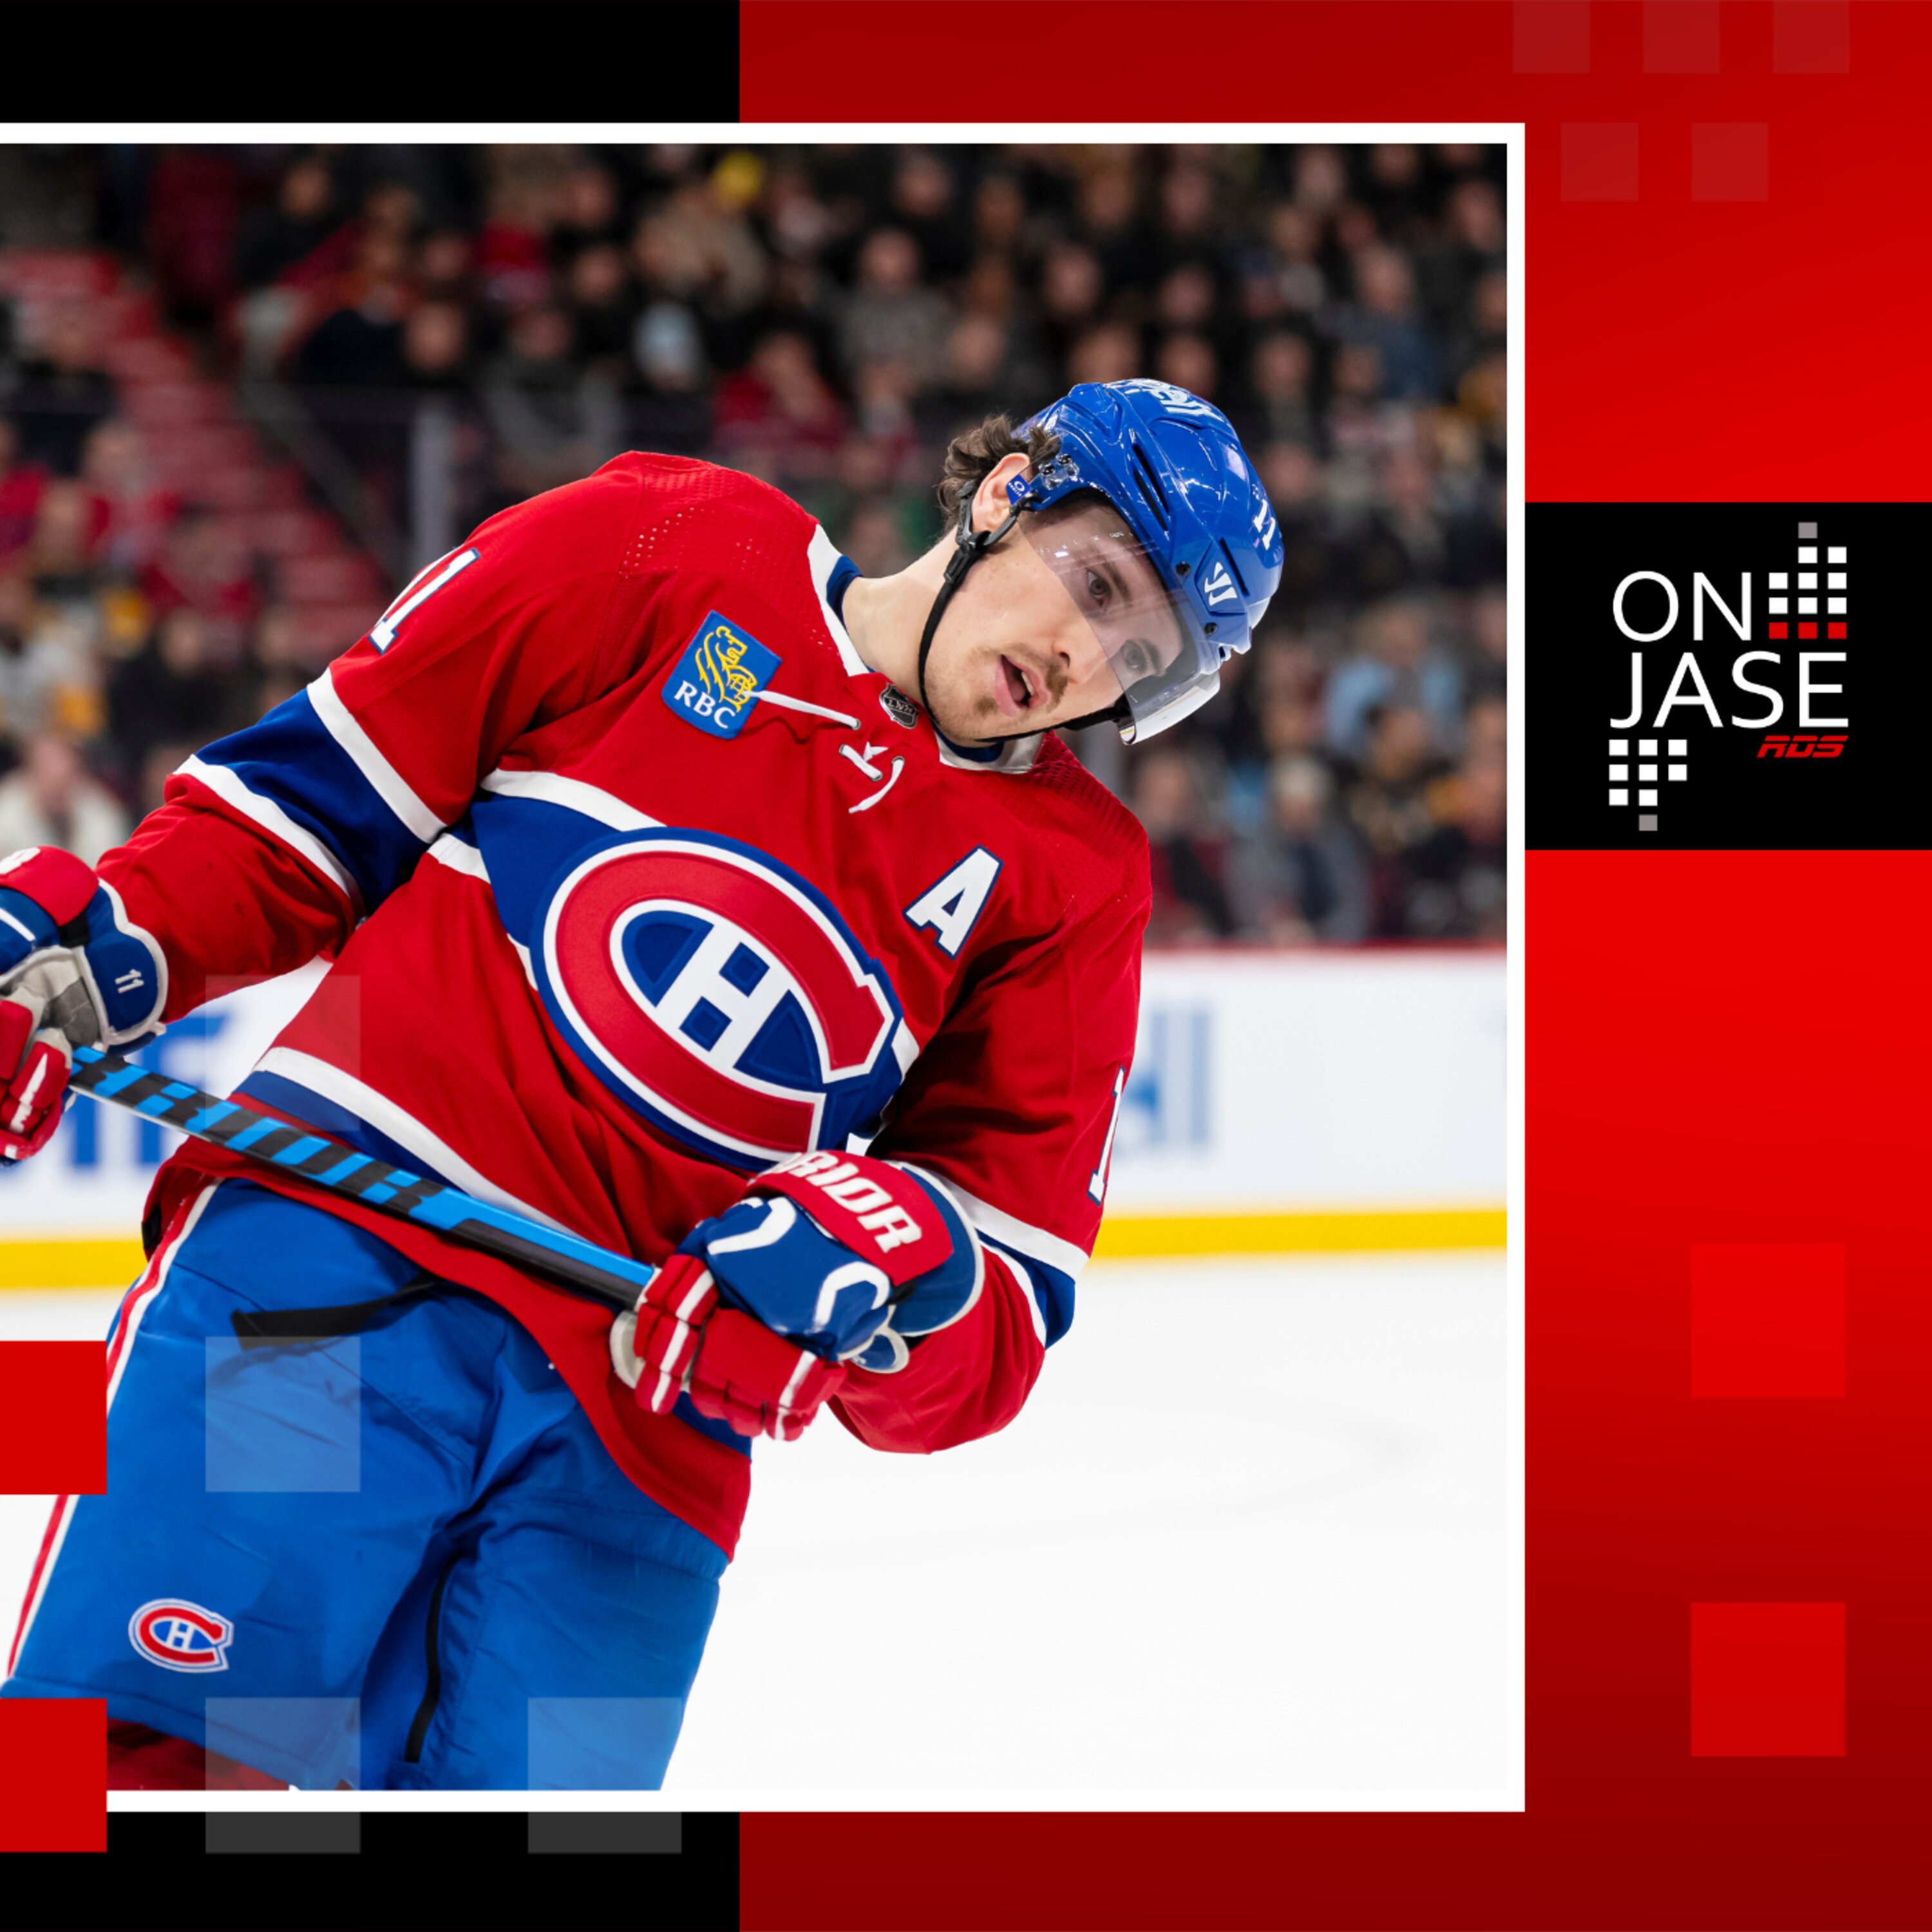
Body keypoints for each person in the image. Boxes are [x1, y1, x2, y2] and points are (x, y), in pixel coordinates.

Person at [0, 377, 1282, 1791]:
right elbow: (310, 807)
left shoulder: (1078, 878)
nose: (1087, 656)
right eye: (1092, 584)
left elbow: (1002, 1311)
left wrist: (900, 1254)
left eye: (1139, 654)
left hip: (649, 1429)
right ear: (1005, 495)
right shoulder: (671, 541)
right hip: (321, 1282)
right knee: (126, 1782)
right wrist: (95, 949)